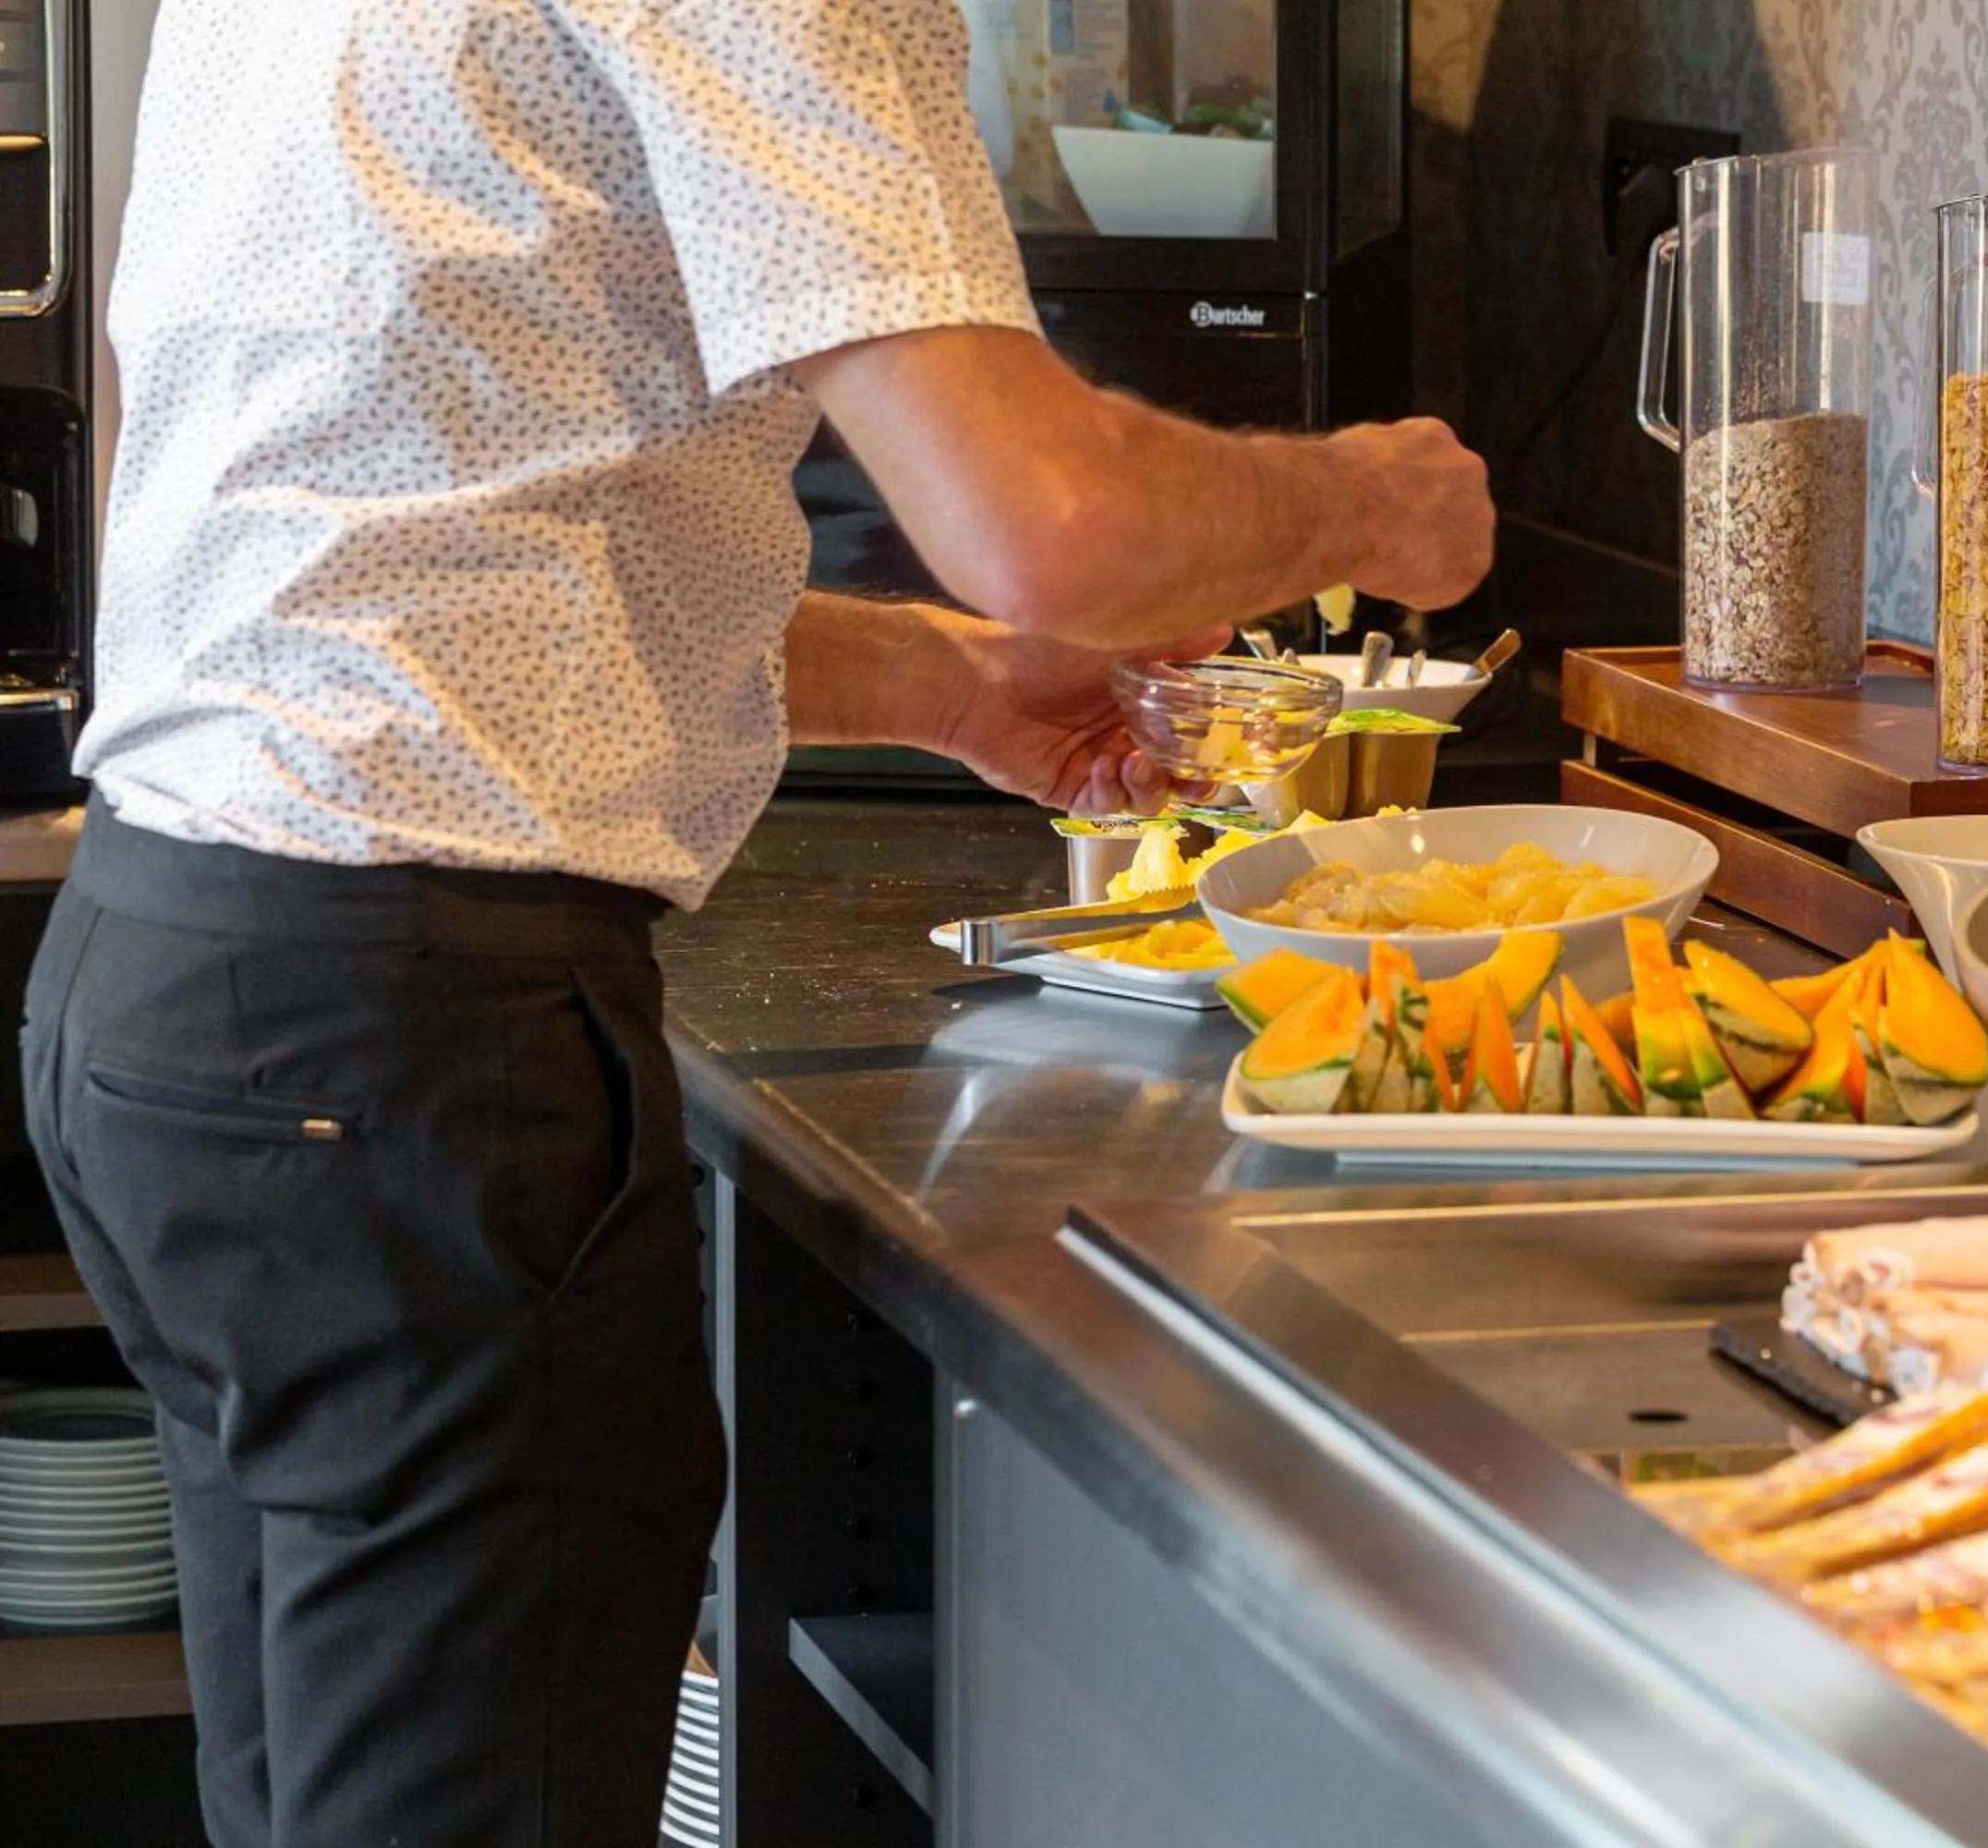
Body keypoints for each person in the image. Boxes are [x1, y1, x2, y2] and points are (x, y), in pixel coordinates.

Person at [18, 4, 1493, 1845]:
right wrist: (1368, 500)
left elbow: (431, 552)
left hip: (169, 992)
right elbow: (1055, 520)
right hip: (408, 1046)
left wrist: (955, 689)